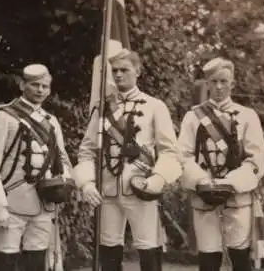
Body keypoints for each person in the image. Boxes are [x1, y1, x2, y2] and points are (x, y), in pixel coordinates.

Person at [73, 49, 182, 271]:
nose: (119, 75)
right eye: (115, 71)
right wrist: (86, 182)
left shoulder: (155, 106)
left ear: (138, 72)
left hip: (141, 188)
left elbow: (170, 151)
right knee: (109, 253)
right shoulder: (102, 109)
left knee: (148, 250)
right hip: (108, 190)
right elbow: (86, 150)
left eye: (125, 70)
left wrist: (157, 180)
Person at [0, 64, 74, 271]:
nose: (40, 90)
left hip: (45, 201)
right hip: (11, 202)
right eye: (35, 85)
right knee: (5, 259)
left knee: (36, 260)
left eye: (45, 86)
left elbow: (61, 158)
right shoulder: (4, 117)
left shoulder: (51, 121)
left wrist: (63, 184)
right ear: (22, 85)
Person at [177, 57, 264, 271]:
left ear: (232, 83)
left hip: (238, 198)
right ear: (206, 83)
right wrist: (201, 180)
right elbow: (182, 156)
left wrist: (230, 182)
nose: (218, 87)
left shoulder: (247, 116)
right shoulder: (192, 117)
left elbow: (256, 159)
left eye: (223, 81)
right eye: (213, 81)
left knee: (240, 258)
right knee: (208, 259)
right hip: (204, 196)